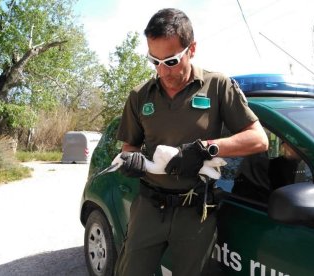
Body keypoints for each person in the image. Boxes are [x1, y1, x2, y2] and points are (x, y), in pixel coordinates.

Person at [114, 8, 268, 276]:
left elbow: (258, 139)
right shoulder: (140, 96)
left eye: (171, 61)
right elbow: (129, 147)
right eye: (154, 61)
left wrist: (204, 150)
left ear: (191, 49)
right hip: (149, 209)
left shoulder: (218, 87)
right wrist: (133, 160)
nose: (162, 71)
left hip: (196, 212)